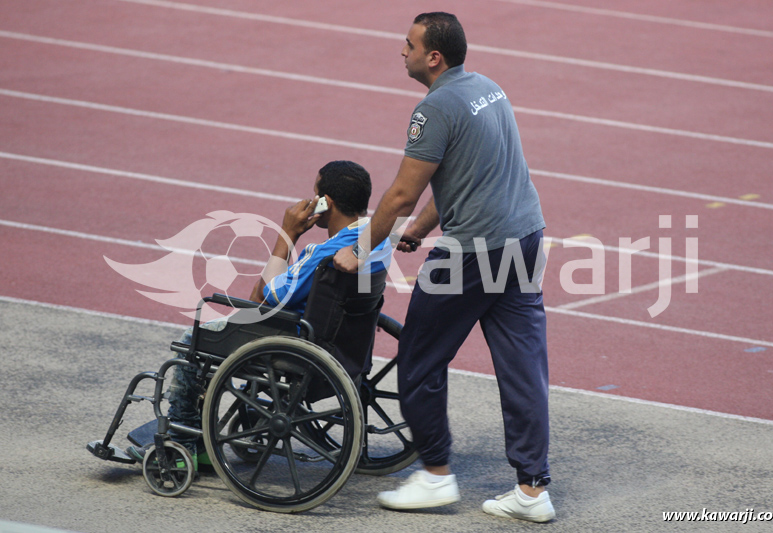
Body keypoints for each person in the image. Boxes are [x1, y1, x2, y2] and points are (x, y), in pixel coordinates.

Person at [333, 13, 555, 523]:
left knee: (419, 357)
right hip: (525, 238)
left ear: (434, 57)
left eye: (409, 44)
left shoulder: (432, 110)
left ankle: (435, 476)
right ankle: (532, 489)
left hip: (472, 254)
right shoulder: (488, 88)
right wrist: (419, 228)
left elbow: (402, 193)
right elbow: (461, 179)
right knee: (523, 369)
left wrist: (361, 249)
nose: (402, 51)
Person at [126, 160, 390, 467]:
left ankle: (186, 445)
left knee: (192, 342)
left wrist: (287, 234)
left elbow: (264, 297)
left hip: (297, 340)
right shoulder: (377, 240)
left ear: (325, 203)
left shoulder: (322, 254)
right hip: (344, 344)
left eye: (314, 193)